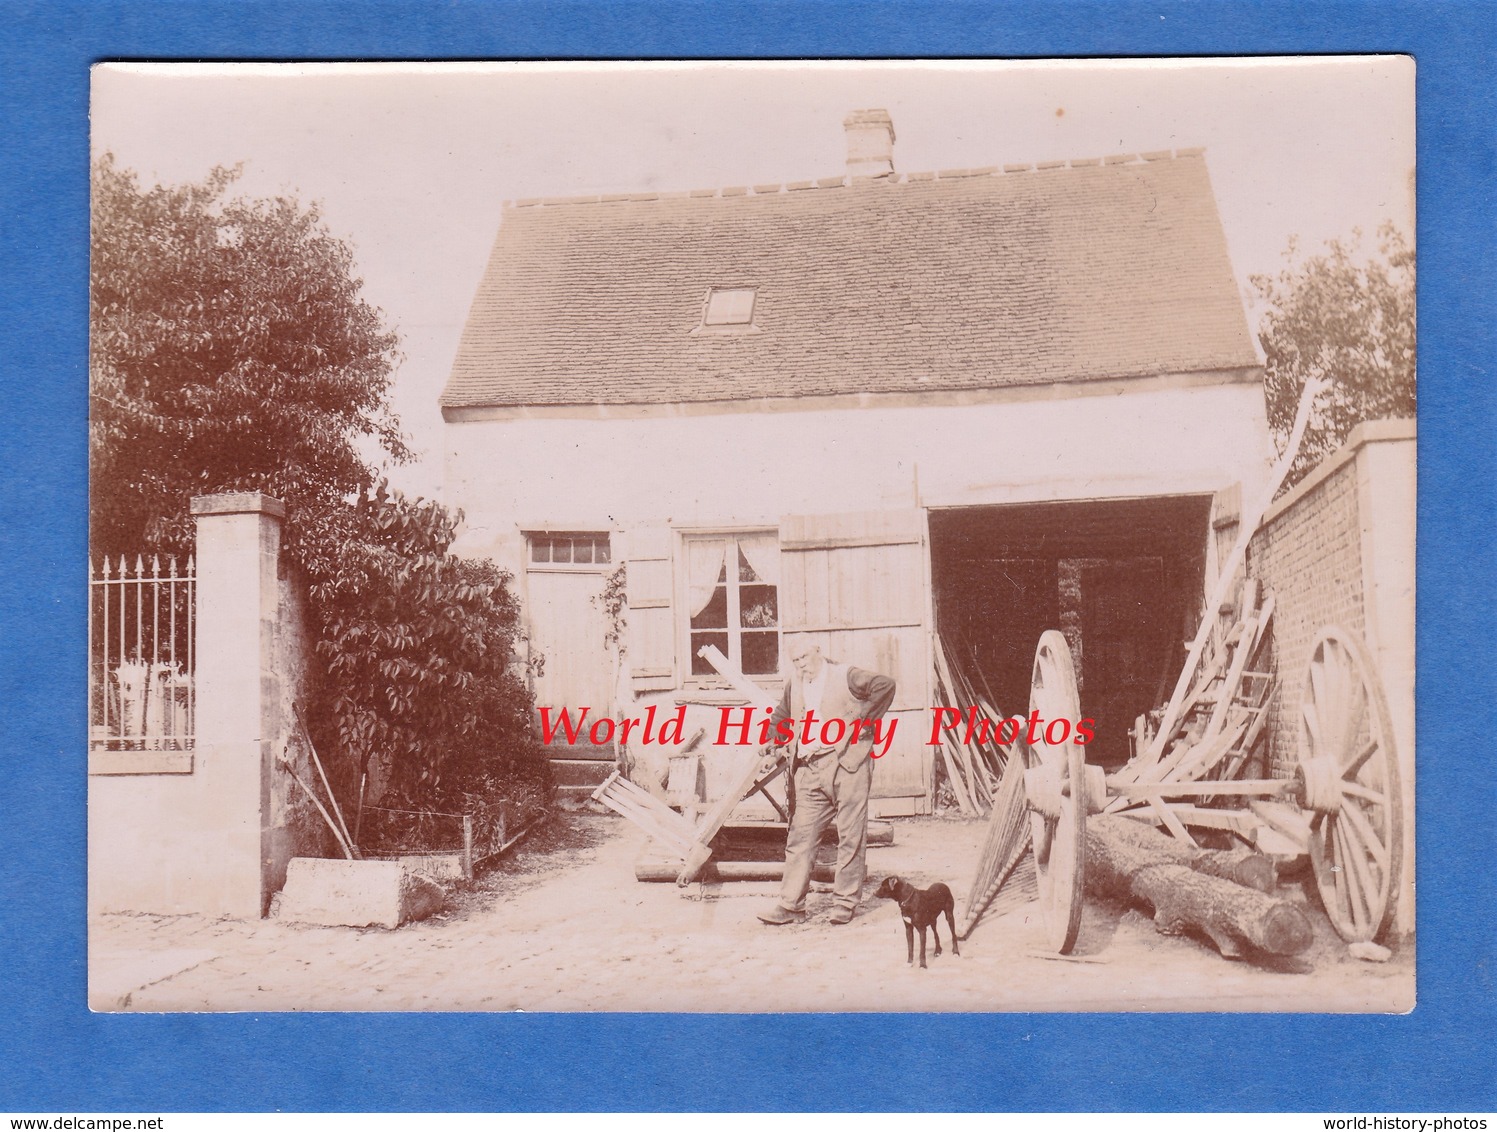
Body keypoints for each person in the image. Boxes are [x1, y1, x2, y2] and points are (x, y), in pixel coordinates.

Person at [757, 640, 896, 926]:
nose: (801, 664)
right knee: (800, 838)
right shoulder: (795, 684)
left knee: (851, 836)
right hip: (810, 768)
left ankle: (844, 903)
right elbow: (782, 716)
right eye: (795, 660)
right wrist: (772, 743)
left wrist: (862, 722)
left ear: (818, 651)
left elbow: (886, 685)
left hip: (848, 765)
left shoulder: (847, 675)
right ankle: (790, 906)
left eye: (805, 657)